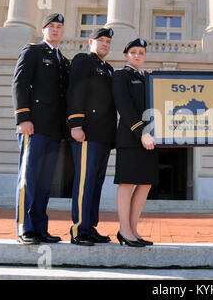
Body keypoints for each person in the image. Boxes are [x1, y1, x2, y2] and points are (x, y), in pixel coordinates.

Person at [12, 13, 70, 244]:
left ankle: (39, 228)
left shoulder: (63, 60)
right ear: (44, 29)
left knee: (45, 181)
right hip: (33, 126)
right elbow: (20, 83)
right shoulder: (33, 51)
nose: (55, 30)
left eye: (59, 27)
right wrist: (23, 117)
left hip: (53, 130)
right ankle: (24, 228)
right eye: (51, 26)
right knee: (29, 178)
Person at [67, 28, 117, 246]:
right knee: (85, 181)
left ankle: (90, 226)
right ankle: (79, 229)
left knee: (96, 183)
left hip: (103, 135)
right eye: (101, 40)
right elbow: (75, 91)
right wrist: (76, 124)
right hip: (86, 132)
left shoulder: (109, 69)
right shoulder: (83, 61)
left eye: (108, 41)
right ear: (91, 42)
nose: (105, 44)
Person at [111, 38, 158, 248]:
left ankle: (133, 229)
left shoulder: (148, 78)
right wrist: (141, 133)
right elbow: (125, 107)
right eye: (133, 52)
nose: (137, 55)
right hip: (131, 138)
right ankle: (124, 229)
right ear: (126, 55)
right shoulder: (121, 76)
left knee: (145, 184)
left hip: (150, 138)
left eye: (141, 52)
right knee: (127, 183)